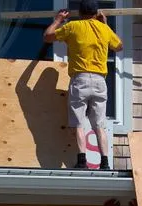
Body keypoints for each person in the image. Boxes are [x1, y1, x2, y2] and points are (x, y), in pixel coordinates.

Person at [43, 0, 123, 170]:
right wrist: (105, 25)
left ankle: (82, 161)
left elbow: (48, 36)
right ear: (96, 13)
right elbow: (119, 46)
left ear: (80, 13)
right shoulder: (104, 29)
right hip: (100, 81)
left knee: (79, 122)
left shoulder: (73, 27)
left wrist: (58, 20)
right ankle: (105, 162)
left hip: (80, 79)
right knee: (99, 124)